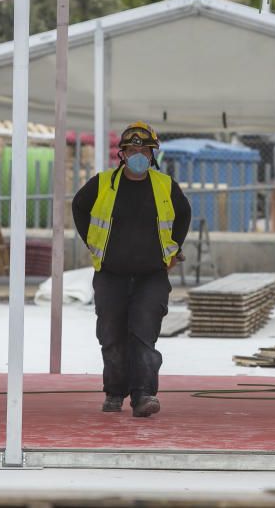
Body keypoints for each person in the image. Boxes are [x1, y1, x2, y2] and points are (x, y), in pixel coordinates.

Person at [71, 121, 191, 418]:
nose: (138, 153)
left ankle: (144, 395)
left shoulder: (165, 186)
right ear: (122, 154)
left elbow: (184, 214)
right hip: (111, 274)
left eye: (144, 149)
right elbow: (78, 207)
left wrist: (173, 248)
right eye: (132, 149)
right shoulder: (102, 184)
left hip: (151, 276)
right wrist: (93, 242)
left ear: (152, 155)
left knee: (143, 335)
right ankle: (114, 391)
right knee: (111, 336)